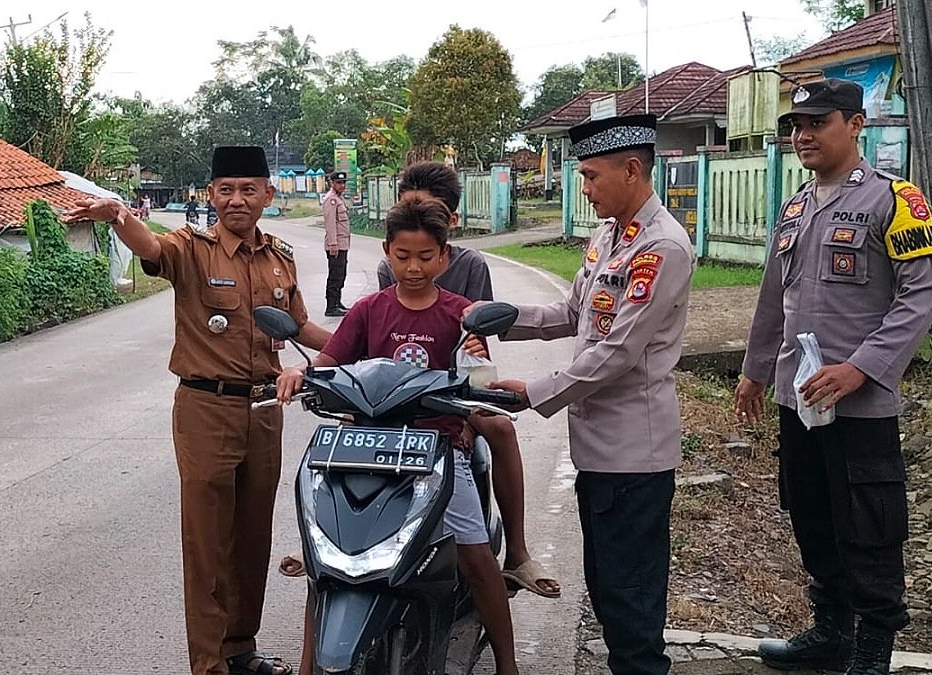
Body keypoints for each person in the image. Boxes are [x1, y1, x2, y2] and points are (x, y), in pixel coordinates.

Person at [64, 146, 332, 675]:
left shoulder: (281, 256)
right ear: (211, 195)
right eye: (226, 189)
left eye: (248, 189)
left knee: (253, 537)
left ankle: (240, 649)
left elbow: (301, 328)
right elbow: (151, 247)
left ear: (267, 195)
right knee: (209, 541)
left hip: (264, 410)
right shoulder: (191, 247)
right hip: (205, 407)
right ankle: (208, 665)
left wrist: (366, 343)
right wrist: (120, 215)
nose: (237, 199)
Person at [735, 79, 932, 675]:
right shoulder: (796, 204)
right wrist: (754, 371)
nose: (802, 136)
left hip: (859, 403)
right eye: (796, 127)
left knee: (869, 524)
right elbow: (775, 297)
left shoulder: (894, 199)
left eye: (817, 124)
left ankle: (873, 650)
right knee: (810, 512)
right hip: (798, 398)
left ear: (855, 125)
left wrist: (861, 368)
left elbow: (920, 298)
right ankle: (831, 633)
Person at [478, 113, 695, 675]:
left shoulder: (662, 247)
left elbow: (618, 352)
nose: (585, 188)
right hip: (598, 446)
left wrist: (535, 392)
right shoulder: (609, 236)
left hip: (634, 452)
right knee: (606, 587)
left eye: (593, 177)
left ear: (631, 170)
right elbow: (573, 314)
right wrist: (504, 318)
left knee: (631, 596)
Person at [275, 195, 521, 675]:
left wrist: (474, 369)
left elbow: (478, 380)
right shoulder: (368, 310)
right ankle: (308, 665)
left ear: (445, 256)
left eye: (425, 257)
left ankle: (507, 663)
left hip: (436, 449)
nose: (413, 267)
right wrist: (297, 375)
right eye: (403, 256)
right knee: (325, 558)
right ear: (386, 251)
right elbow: (329, 363)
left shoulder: (462, 314)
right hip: (367, 449)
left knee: (474, 553)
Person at [379, 161, 559, 598]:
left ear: (450, 223)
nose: (415, 261)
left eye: (432, 215)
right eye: (410, 210)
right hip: (402, 389)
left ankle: (515, 553)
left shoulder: (472, 265)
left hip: (456, 387)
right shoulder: (392, 267)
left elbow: (479, 343)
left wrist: (463, 385)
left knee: (498, 425)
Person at [322, 171, 351, 317]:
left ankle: (337, 302)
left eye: (343, 182)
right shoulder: (331, 200)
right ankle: (331, 306)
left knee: (341, 275)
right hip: (336, 245)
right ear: (331, 183)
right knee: (335, 275)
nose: (342, 185)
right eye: (339, 183)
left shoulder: (339, 199)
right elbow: (330, 223)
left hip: (342, 244)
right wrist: (333, 244)